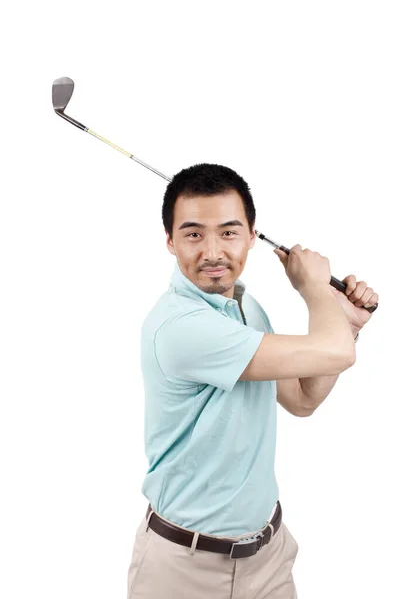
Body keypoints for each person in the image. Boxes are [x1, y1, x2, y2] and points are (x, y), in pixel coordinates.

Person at [126, 163, 378, 599]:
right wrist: (314, 289)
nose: (212, 252)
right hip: (185, 572)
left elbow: (302, 398)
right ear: (169, 241)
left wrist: (346, 322)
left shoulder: (244, 307)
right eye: (192, 234)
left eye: (228, 232)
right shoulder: (180, 327)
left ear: (252, 235)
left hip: (267, 558)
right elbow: (335, 352)